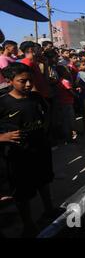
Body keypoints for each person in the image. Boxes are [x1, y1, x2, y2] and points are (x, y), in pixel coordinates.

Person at [0, 63, 55, 237]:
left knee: (44, 181)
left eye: (30, 80)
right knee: (22, 192)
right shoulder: (3, 102)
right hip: (18, 155)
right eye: (23, 81)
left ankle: (49, 210)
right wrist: (2, 138)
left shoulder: (36, 98)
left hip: (40, 150)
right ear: (10, 81)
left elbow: (47, 113)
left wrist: (45, 130)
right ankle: (28, 224)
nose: (28, 85)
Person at [55, 65, 78, 144]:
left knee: (65, 121)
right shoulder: (65, 81)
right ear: (63, 72)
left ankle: (68, 137)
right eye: (66, 71)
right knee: (70, 120)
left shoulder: (59, 81)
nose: (67, 72)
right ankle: (70, 137)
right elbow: (70, 91)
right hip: (67, 103)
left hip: (62, 102)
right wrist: (76, 95)